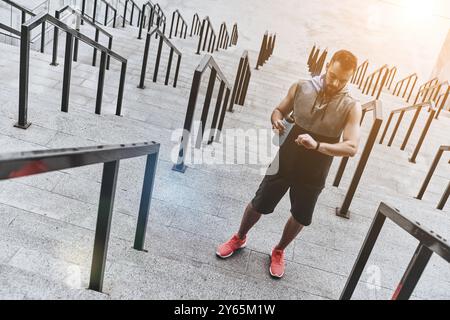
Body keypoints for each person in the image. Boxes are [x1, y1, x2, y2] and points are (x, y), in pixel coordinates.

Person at [216, 50, 362, 278]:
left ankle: (279, 250)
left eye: (343, 79)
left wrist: (317, 145)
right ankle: (239, 237)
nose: (336, 82)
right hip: (286, 158)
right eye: (333, 75)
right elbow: (278, 111)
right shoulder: (301, 87)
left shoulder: (351, 106)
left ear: (351, 77)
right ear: (326, 66)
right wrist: (276, 121)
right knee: (259, 202)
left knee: (301, 215)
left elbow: (352, 147)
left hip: (316, 168)